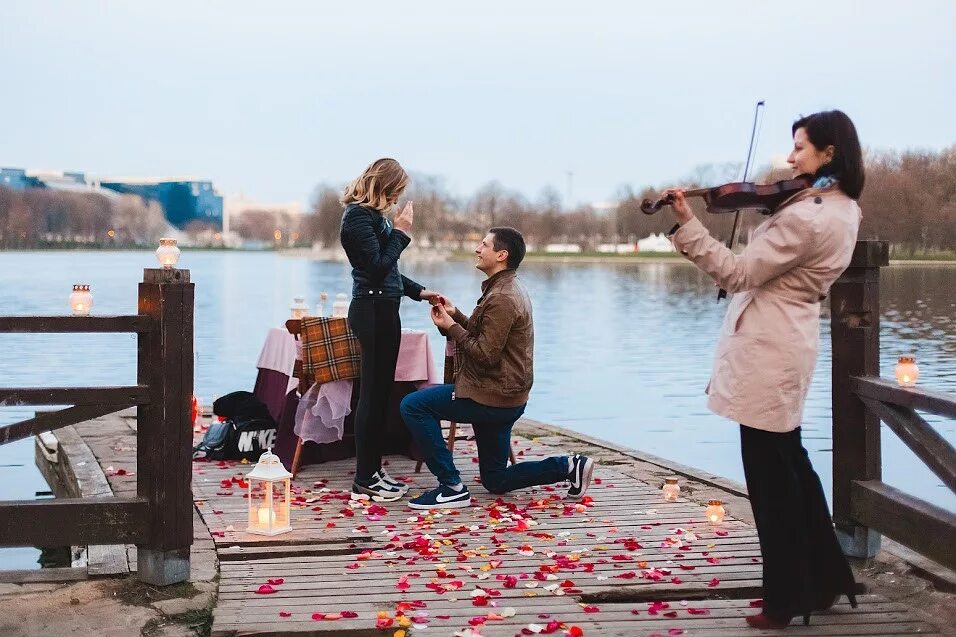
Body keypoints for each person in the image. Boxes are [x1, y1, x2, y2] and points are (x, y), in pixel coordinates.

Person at [662, 110, 863, 629]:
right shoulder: (842, 209)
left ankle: (785, 597)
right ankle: (824, 578)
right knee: (792, 467)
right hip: (790, 341)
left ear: (828, 153)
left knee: (771, 482)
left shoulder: (807, 215)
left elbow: (738, 271)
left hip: (769, 347)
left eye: (800, 147)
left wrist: (688, 224)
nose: (791, 157)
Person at [399, 226, 594, 509]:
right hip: (505, 395)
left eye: (484, 244)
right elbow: (488, 340)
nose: (478, 249)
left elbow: (485, 355)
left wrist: (451, 327)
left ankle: (451, 486)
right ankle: (568, 466)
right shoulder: (505, 288)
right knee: (496, 479)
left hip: (491, 396)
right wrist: (457, 317)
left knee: (413, 405)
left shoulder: (502, 297)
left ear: (501, 255)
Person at [339, 158, 442, 502]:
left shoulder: (373, 218)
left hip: (386, 308)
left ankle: (373, 468)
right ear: (385, 187)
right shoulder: (357, 217)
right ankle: (365, 477)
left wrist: (418, 291)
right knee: (371, 394)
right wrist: (400, 232)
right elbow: (378, 266)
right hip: (371, 310)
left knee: (382, 395)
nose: (398, 200)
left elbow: (390, 270)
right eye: (396, 192)